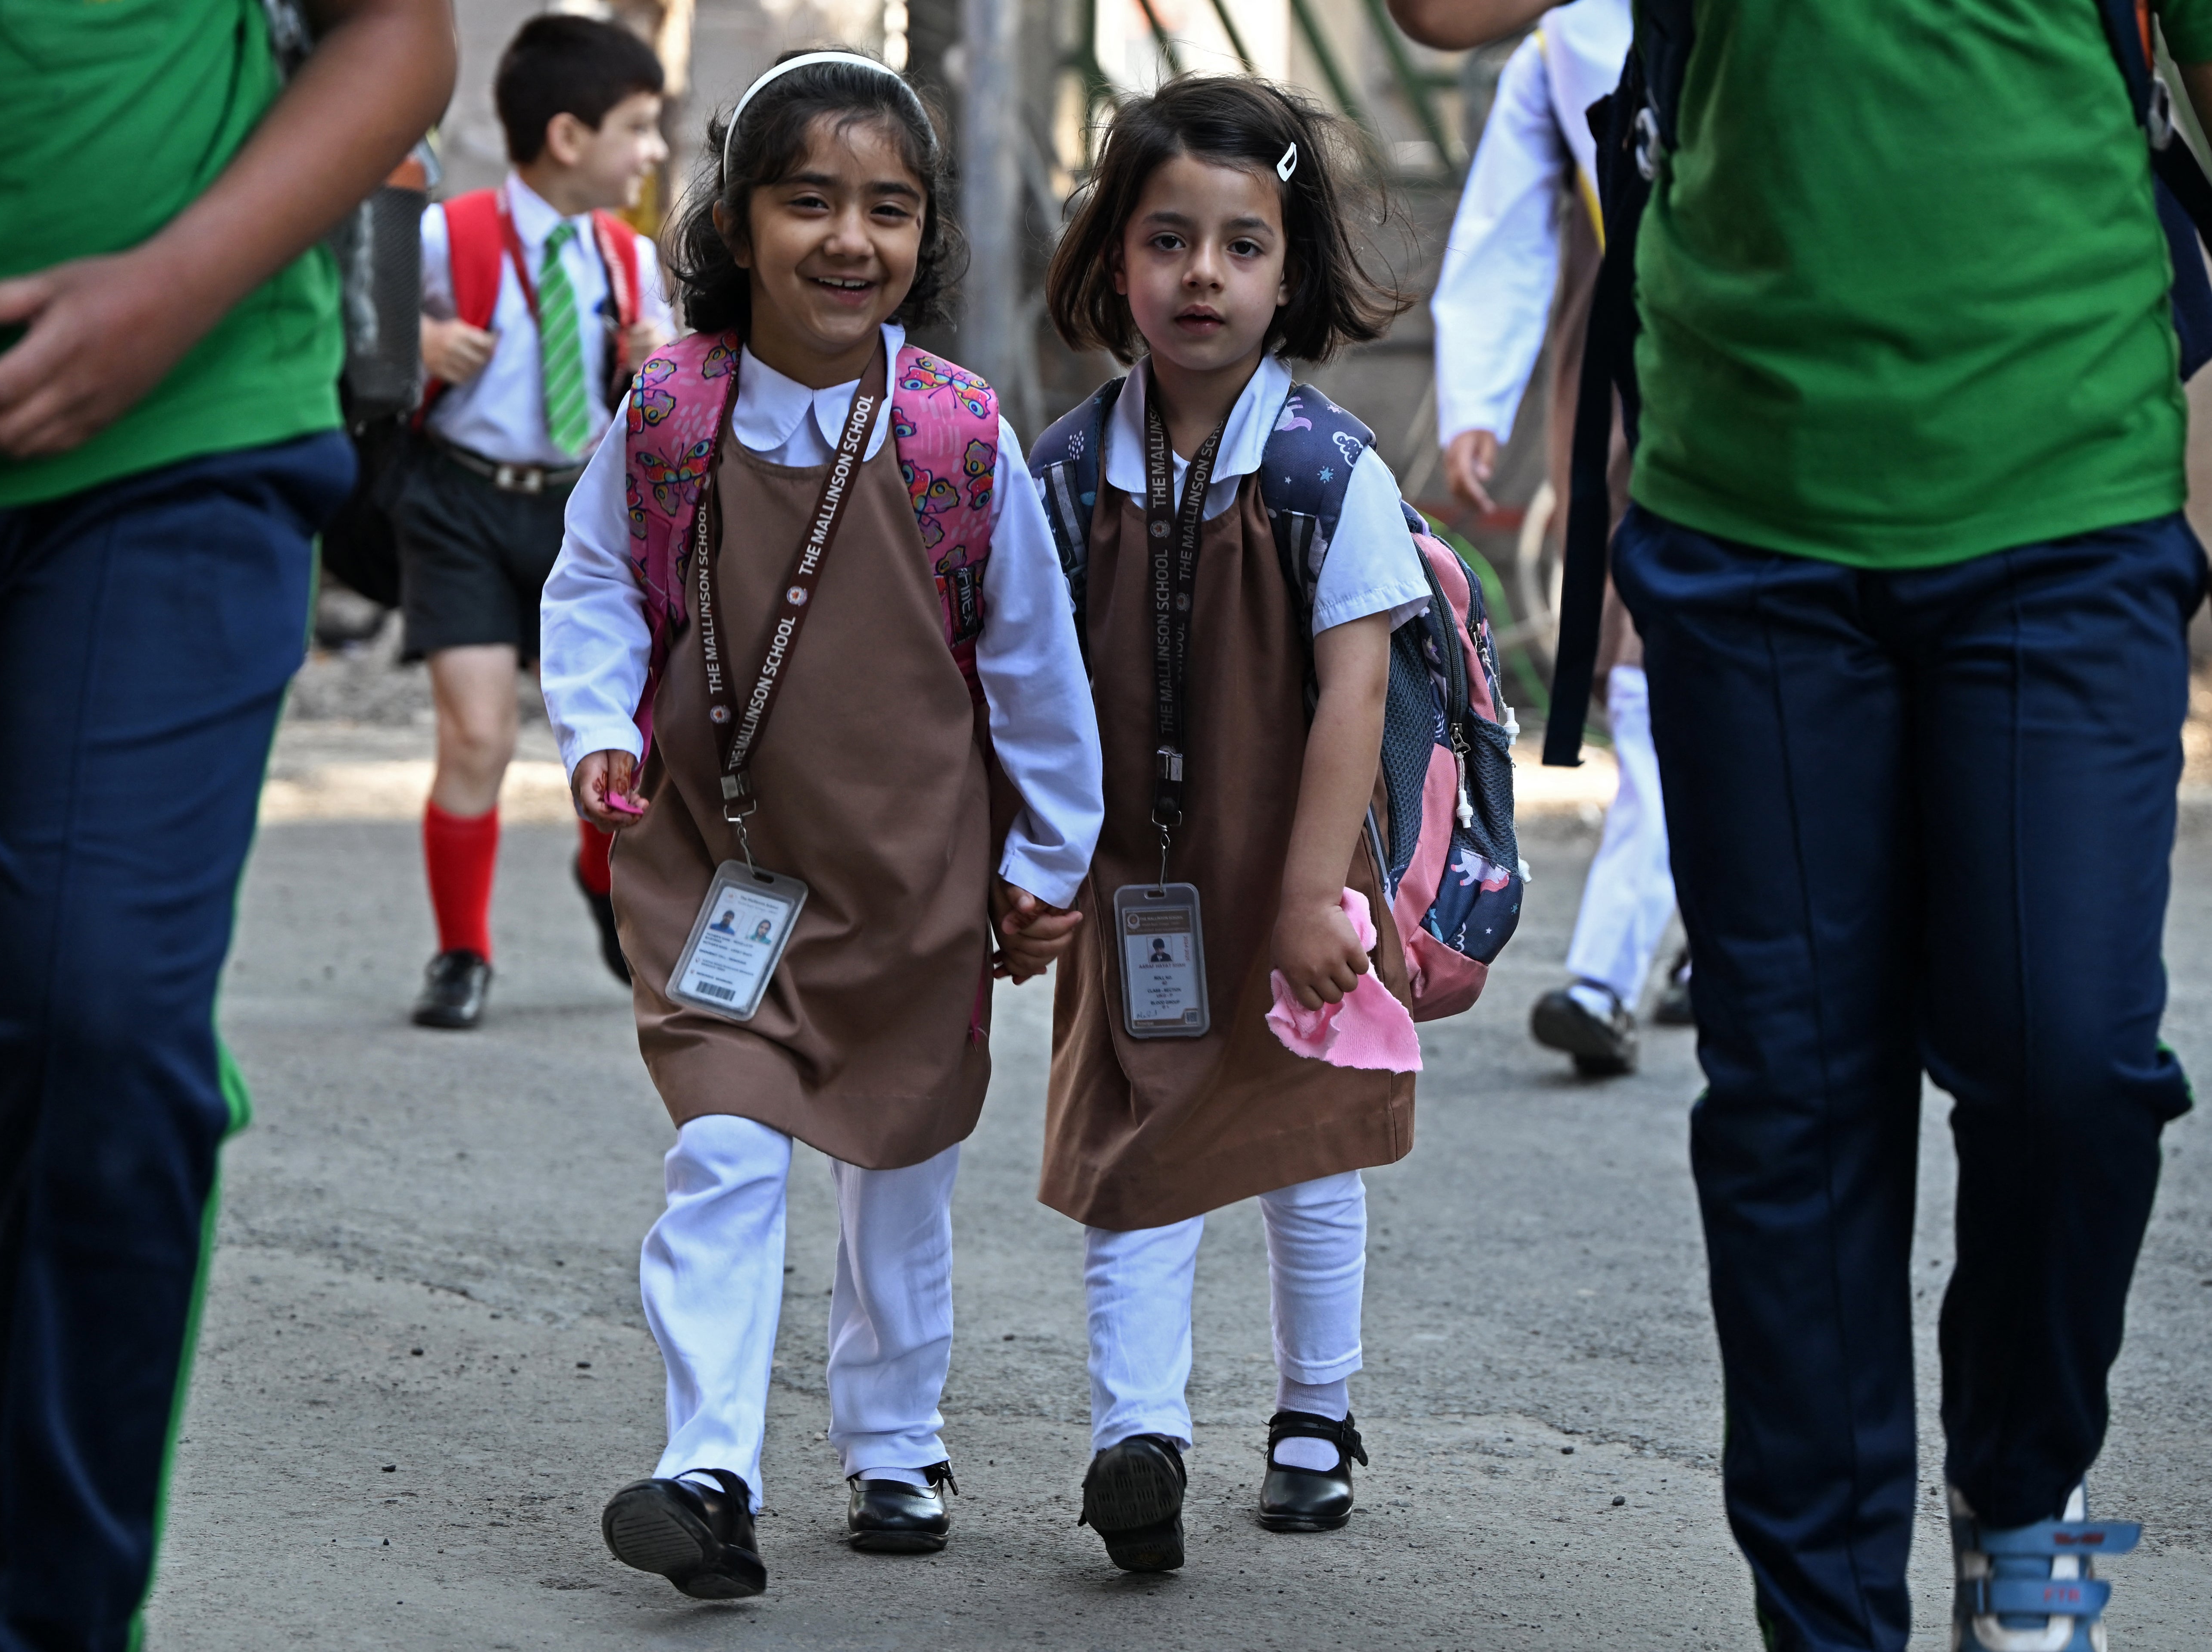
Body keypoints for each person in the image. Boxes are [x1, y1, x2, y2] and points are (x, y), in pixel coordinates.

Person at [1399, 3, 2212, 1646]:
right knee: (1796, 1094)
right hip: (1750, 518)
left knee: (2069, 1063)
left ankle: (2023, 1496)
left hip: (2065, 495)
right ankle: (1826, 1618)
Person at [0, 1, 452, 1646]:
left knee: (97, 1020)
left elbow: (397, 34)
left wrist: (172, 287)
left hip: (176, 430)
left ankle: (52, 1619)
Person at [545, 50, 1103, 1599]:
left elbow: (1032, 667)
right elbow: (594, 579)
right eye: (807, 202)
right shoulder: (667, 412)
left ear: (924, 236)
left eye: (887, 208)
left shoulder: (953, 437)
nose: (848, 239)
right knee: (723, 1149)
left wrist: (1043, 859)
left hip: (910, 875)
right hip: (716, 867)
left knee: (896, 1166)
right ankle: (703, 1467)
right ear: (735, 223)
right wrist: (598, 726)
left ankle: (891, 1442)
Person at [1032, 77, 1432, 1571]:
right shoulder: (1067, 471)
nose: (1201, 275)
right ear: (1110, 259)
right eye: (1165, 239)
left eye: (1241, 245)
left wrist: (1312, 895)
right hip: (1137, 885)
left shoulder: (1327, 471)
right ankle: (1136, 1436)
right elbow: (1023, 681)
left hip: (1291, 885)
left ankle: (1313, 1415)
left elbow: (1350, 689)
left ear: (1292, 268)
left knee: (1300, 1140)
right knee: (1136, 1139)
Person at [402, 14, 673, 1028]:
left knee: (605, 741)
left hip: (583, 515)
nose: (652, 149)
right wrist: (422, 338)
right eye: (639, 127)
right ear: (569, 138)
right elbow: (370, 328)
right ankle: (461, 950)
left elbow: (659, 400)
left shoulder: (629, 260)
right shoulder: (448, 236)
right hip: (462, 501)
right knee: (474, 734)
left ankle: (603, 877)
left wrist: (656, 357)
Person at [1429, 0, 1674, 1076]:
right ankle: (1620, 969)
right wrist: (1476, 396)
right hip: (1655, 388)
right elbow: (1508, 220)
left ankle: (1629, 965)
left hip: (1812, 388)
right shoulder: (1569, 35)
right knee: (1660, 677)